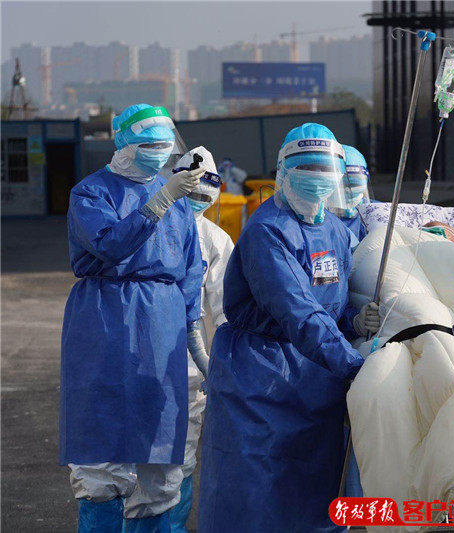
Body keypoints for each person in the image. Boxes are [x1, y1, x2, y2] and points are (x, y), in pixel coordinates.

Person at [198, 123, 378, 533]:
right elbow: (297, 310)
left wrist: (352, 320)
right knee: (257, 493)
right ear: (283, 173)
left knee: (315, 492)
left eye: (325, 174)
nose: (317, 183)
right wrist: (354, 365)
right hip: (260, 378)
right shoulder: (268, 232)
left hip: (317, 378)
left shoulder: (335, 231)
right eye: (306, 172)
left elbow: (329, 302)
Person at [60, 103, 207, 533]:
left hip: (162, 325)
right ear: (122, 143)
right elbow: (109, 245)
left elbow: (190, 268)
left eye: (163, 146)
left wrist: (195, 338)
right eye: (148, 145)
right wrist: (159, 201)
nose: (158, 153)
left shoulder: (176, 200)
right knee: (100, 446)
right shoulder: (91, 193)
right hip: (104, 320)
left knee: (159, 444)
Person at [167, 147, 233, 533]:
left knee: (183, 456)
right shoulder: (151, 224)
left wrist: (221, 362)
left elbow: (227, 308)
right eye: (190, 194)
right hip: (141, 354)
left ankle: (171, 527)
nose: (197, 203)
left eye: (205, 198)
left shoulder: (215, 240)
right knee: (133, 458)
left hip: (192, 367)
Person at [328, 144, 371, 242]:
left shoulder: (376, 212)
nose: (348, 190)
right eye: (341, 184)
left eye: (354, 184)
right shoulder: (316, 218)